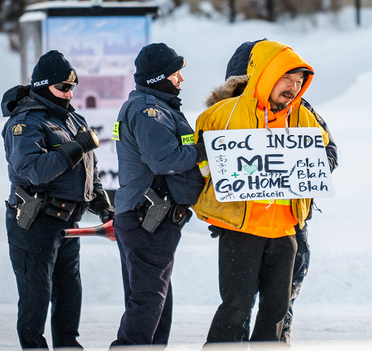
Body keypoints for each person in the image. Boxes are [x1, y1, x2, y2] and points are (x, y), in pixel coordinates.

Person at [193, 40, 329, 344]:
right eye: (286, 79)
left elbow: (323, 155)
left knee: (276, 314)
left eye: (298, 82)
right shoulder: (221, 115)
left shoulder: (304, 117)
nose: (293, 87)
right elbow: (198, 168)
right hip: (242, 230)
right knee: (236, 309)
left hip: (285, 231)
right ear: (266, 75)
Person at [1, 50, 115, 349]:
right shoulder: (24, 123)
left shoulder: (72, 119)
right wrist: (75, 147)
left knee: (68, 295)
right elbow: (35, 171)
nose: (69, 93)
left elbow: (89, 172)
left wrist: (103, 206)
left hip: (68, 223)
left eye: (72, 87)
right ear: (42, 85)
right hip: (35, 223)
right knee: (35, 298)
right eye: (63, 87)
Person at [109, 43, 205, 347]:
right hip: (147, 220)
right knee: (148, 304)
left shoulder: (156, 107)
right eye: (176, 73)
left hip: (150, 221)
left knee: (156, 305)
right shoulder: (148, 110)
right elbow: (164, 159)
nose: (181, 79)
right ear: (159, 78)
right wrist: (206, 150)